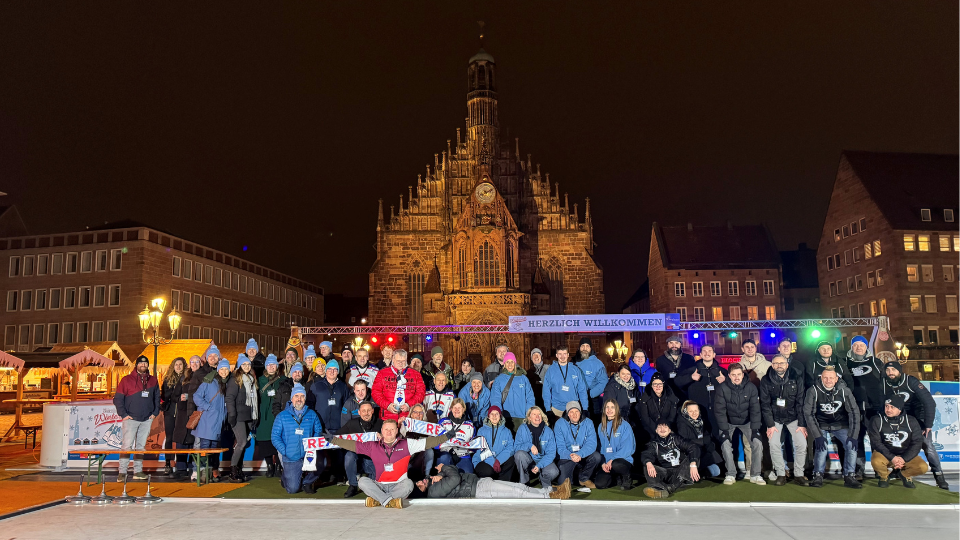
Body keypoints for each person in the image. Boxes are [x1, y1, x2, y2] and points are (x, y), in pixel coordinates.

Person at [329, 418, 455, 509]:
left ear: (396, 431)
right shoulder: (373, 446)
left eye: (392, 429)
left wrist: (446, 437)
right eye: (386, 429)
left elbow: (428, 443)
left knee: (409, 484)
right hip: (379, 485)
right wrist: (334, 440)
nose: (389, 432)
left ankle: (379, 500)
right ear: (382, 431)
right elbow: (353, 445)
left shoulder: (407, 444)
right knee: (362, 481)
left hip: (399, 486)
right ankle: (389, 501)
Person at [883, 361, 948, 490]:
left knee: (927, 445)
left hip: (919, 418)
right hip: (901, 418)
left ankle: (939, 475)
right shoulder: (884, 383)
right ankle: (898, 471)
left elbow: (929, 402)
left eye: (893, 370)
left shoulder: (911, 381)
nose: (890, 372)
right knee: (898, 444)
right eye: (888, 370)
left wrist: (928, 424)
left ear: (899, 371)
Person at [803, 366, 861, 488]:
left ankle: (849, 475)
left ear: (836, 379)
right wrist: (818, 435)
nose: (828, 380)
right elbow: (808, 413)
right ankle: (818, 475)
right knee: (821, 447)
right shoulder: (813, 390)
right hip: (821, 424)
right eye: (825, 377)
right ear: (821, 378)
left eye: (831, 378)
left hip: (840, 424)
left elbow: (854, 413)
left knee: (851, 445)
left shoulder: (845, 391)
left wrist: (853, 435)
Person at [759, 354, 808, 486]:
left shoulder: (796, 378)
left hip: (794, 417)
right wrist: (770, 425)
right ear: (772, 365)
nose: (779, 365)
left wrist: (802, 424)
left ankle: (799, 474)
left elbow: (800, 402)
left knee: (801, 444)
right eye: (776, 363)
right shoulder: (766, 380)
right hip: (775, 418)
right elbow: (765, 404)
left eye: (782, 363)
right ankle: (781, 473)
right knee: (774, 444)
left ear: (787, 365)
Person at [714, 363, 764, 485]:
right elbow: (719, 410)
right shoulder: (722, 388)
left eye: (739, 374)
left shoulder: (751, 387)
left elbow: (755, 409)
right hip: (728, 421)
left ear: (743, 375)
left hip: (747, 421)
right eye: (733, 375)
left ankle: (755, 474)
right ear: (729, 375)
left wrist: (755, 428)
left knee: (757, 443)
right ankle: (731, 474)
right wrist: (724, 429)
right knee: (725, 444)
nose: (736, 377)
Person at [271, 383, 324, 494]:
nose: (299, 399)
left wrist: (312, 446)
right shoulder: (282, 416)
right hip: (291, 456)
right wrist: (285, 451)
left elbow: (318, 431)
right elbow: (275, 436)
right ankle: (286, 476)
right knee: (293, 489)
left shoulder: (312, 414)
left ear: (305, 398)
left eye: (302, 396)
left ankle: (307, 482)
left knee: (322, 462)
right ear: (291, 398)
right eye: (296, 396)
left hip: (308, 454)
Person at [114, 355, 160, 481]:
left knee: (140, 446)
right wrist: (123, 414)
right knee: (126, 446)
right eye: (141, 363)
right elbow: (118, 399)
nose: (143, 365)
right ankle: (122, 472)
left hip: (146, 419)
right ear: (137, 365)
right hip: (130, 419)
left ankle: (138, 471)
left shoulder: (153, 380)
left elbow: (157, 398)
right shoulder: (126, 380)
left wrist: (155, 413)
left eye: (145, 363)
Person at [419, 462, 571, 499]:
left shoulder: (434, 483)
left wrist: (442, 473)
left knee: (519, 486)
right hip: (479, 490)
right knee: (518, 492)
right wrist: (444, 468)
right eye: (419, 485)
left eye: (421, 480)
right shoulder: (433, 492)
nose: (422, 482)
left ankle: (550, 490)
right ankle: (549, 496)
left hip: (480, 483)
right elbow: (455, 477)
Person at [868, 394, 927, 488]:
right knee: (876, 461)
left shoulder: (911, 421)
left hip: (904, 454)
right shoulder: (877, 420)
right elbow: (876, 442)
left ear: (900, 409)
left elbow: (917, 443)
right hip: (885, 454)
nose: (888, 410)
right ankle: (884, 476)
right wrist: (893, 458)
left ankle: (904, 475)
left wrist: (904, 459)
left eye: (892, 407)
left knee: (923, 467)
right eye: (886, 406)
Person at [846, 336, 884, 479]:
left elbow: (884, 383)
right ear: (852, 347)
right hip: (853, 409)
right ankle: (859, 469)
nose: (859, 347)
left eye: (862, 345)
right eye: (855, 345)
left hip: (874, 409)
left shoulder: (876, 362)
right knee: (856, 440)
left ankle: (879, 469)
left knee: (876, 440)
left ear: (866, 347)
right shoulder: (846, 363)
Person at [192, 358, 230, 482]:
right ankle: (203, 473)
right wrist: (207, 407)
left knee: (214, 448)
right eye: (222, 369)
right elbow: (196, 396)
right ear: (218, 370)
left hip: (218, 422)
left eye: (226, 369)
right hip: (207, 421)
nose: (224, 371)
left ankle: (211, 472)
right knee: (205, 447)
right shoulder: (209, 382)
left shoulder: (225, 383)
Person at [640, 423, 701, 499]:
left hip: (680, 474)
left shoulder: (677, 439)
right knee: (647, 466)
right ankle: (659, 488)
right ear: (656, 430)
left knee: (693, 458)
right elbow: (646, 453)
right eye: (659, 427)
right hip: (665, 473)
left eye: (665, 427)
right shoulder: (653, 444)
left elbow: (693, 447)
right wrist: (648, 463)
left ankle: (672, 487)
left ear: (669, 430)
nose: (662, 429)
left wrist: (693, 464)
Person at [553, 401, 602, 489]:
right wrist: (570, 455)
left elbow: (591, 444)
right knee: (563, 484)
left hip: (582, 455)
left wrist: (579, 454)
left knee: (596, 456)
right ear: (568, 414)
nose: (574, 415)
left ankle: (584, 478)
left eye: (577, 412)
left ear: (580, 412)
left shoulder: (588, 423)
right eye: (571, 412)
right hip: (567, 457)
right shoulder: (559, 424)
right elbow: (560, 447)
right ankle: (573, 477)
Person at [226, 354, 259, 482]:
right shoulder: (235, 379)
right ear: (239, 366)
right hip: (238, 416)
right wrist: (232, 414)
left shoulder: (251, 379)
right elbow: (229, 398)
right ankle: (233, 471)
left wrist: (255, 416)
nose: (246, 366)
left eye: (248, 364)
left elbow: (254, 400)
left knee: (244, 444)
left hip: (248, 416)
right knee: (241, 443)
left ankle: (238, 469)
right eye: (244, 364)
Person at [339, 401, 383, 498]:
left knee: (372, 487)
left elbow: (390, 440)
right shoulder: (351, 424)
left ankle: (371, 483)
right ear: (359, 412)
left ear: (372, 411)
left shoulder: (380, 423)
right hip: (357, 458)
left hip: (371, 459)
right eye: (363, 411)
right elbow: (338, 437)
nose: (366, 413)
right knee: (349, 455)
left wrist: (383, 438)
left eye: (368, 410)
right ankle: (353, 485)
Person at [371, 349, 426, 421]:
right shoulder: (382, 373)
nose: (400, 363)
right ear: (393, 359)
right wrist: (387, 405)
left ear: (406, 360)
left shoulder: (416, 374)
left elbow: (421, 393)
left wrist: (409, 405)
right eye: (398, 361)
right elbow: (375, 392)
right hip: (387, 416)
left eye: (403, 361)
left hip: (408, 416)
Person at [686, 344, 727, 439]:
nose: (707, 353)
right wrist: (690, 378)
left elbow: (735, 387)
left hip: (717, 411)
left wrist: (726, 381)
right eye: (704, 351)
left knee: (718, 438)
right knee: (701, 438)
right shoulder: (692, 370)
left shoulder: (722, 372)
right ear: (700, 354)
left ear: (714, 355)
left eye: (709, 351)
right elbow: (677, 382)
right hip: (699, 411)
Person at [595, 400, 636, 490]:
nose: (609, 410)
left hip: (621, 461)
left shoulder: (625, 425)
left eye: (612, 407)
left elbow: (628, 448)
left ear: (616, 409)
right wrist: (603, 463)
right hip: (607, 463)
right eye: (607, 407)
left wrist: (612, 459)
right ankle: (615, 478)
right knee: (600, 484)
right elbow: (600, 447)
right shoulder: (601, 426)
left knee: (616, 464)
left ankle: (626, 477)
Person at [513, 406, 559, 486]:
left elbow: (551, 453)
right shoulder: (522, 429)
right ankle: (524, 482)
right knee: (519, 454)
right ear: (529, 417)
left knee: (554, 472)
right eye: (534, 414)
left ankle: (543, 480)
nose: (537, 416)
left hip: (542, 460)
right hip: (528, 459)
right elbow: (516, 447)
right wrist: (529, 446)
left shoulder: (548, 431)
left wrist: (539, 465)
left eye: (539, 414)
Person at [160, 356, 190, 477]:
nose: (178, 367)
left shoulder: (187, 378)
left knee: (182, 438)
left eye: (180, 365)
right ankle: (168, 463)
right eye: (176, 365)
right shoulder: (168, 379)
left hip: (182, 413)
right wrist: (177, 398)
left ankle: (182, 463)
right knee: (170, 438)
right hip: (171, 412)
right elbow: (165, 395)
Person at [255, 354, 284, 478]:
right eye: (269, 365)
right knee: (264, 440)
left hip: (277, 414)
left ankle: (278, 465)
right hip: (263, 414)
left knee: (278, 440)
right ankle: (269, 466)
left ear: (277, 367)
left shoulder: (282, 380)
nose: (271, 367)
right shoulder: (260, 380)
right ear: (266, 367)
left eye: (273, 365)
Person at [490, 352, 534, 430]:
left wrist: (529, 413)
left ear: (515, 363)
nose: (510, 364)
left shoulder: (523, 378)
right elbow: (495, 398)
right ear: (504, 364)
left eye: (512, 362)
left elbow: (530, 397)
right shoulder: (499, 380)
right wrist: (498, 414)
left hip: (521, 416)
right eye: (507, 362)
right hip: (505, 417)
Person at [542, 346, 588, 422]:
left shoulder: (575, 370)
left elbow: (582, 390)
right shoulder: (551, 371)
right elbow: (546, 391)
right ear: (556, 355)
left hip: (573, 408)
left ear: (568, 355)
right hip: (556, 410)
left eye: (564, 354)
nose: (562, 357)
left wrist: (585, 408)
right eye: (560, 354)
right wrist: (548, 409)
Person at [677, 401, 721, 478]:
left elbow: (707, 436)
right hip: (689, 455)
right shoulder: (681, 423)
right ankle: (689, 475)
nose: (694, 413)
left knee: (716, 471)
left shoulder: (701, 421)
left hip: (701, 452)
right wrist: (703, 441)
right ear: (685, 412)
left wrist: (708, 443)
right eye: (691, 411)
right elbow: (684, 443)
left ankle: (699, 474)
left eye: (696, 410)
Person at [472, 406, 516, 481]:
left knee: (511, 460)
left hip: (499, 461)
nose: (494, 416)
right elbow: (482, 449)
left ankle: (502, 483)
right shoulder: (481, 430)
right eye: (492, 414)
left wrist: (498, 460)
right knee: (488, 471)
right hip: (483, 460)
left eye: (497, 414)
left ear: (500, 416)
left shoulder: (506, 431)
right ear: (488, 416)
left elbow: (510, 448)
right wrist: (493, 462)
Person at [435, 398, 477, 473]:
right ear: (451, 409)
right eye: (455, 407)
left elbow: (473, 446)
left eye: (459, 408)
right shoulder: (443, 422)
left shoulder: (470, 425)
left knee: (468, 476)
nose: (456, 410)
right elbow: (435, 442)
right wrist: (451, 451)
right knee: (444, 460)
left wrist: (462, 450)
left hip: (463, 456)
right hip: (446, 453)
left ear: (463, 409)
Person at [655, 335, 697, 400]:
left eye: (676, 343)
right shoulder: (660, 360)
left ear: (680, 345)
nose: (674, 346)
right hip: (668, 395)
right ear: (667, 345)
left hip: (686, 394)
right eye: (671, 343)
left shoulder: (689, 358)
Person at [400, 403, 435, 481]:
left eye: (421, 412)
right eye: (415, 412)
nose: (418, 414)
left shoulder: (427, 427)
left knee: (430, 451)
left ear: (423, 415)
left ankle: (427, 476)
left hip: (420, 456)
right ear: (411, 414)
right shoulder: (405, 424)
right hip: (407, 456)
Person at [576, 337, 608, 421]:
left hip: (592, 402)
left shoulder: (597, 364)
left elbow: (603, 382)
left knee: (592, 424)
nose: (585, 348)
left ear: (591, 348)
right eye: (582, 346)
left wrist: (590, 394)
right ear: (579, 348)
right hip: (576, 399)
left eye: (587, 346)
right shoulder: (574, 362)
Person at [638, 373, 679, 439]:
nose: (658, 386)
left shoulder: (671, 397)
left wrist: (665, 429)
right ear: (651, 385)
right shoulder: (645, 399)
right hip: (650, 429)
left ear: (663, 385)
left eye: (660, 384)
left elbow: (672, 416)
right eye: (655, 384)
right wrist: (656, 429)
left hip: (667, 428)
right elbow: (645, 417)